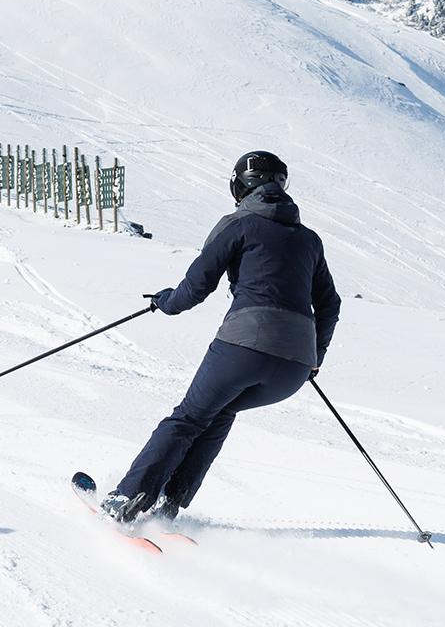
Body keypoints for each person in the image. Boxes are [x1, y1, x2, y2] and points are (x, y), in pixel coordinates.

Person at [103, 150, 340, 524]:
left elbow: (196, 287)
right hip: (293, 368)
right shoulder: (309, 240)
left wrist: (165, 302)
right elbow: (330, 304)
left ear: (239, 185)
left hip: (244, 347)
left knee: (187, 420)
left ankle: (128, 499)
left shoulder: (239, 224)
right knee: (221, 413)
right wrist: (315, 357)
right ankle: (170, 504)